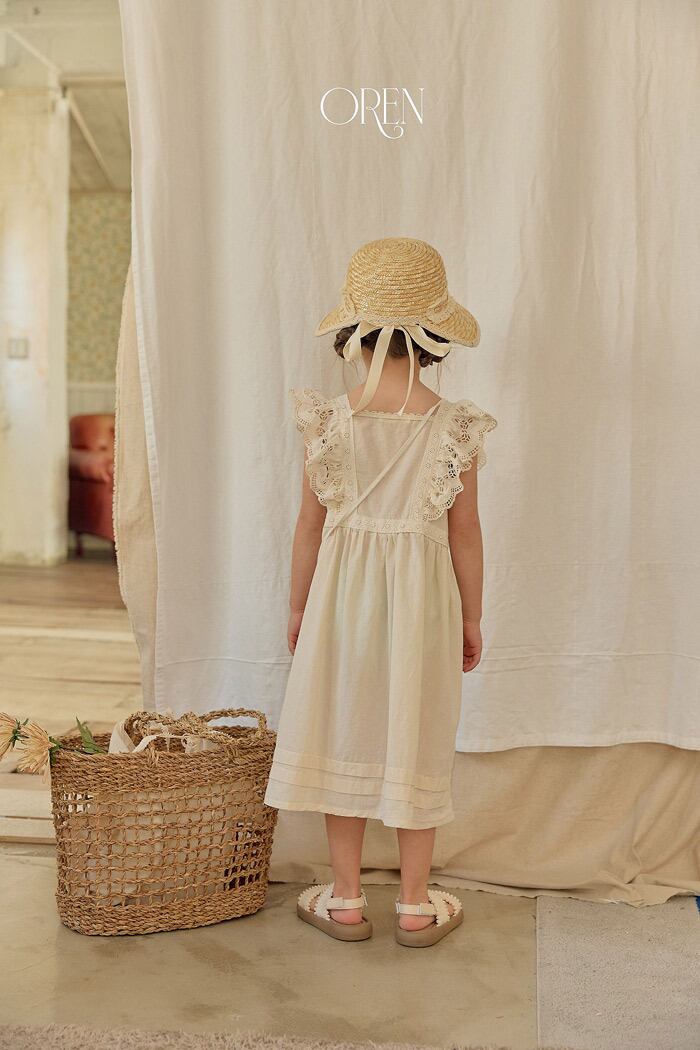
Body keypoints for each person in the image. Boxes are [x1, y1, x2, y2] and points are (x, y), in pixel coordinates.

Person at [263, 237, 497, 947]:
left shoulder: (328, 422)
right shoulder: (454, 426)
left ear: (353, 334)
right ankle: (417, 904)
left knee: (345, 728)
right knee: (415, 733)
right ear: (433, 338)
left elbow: (309, 527)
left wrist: (299, 607)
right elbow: (465, 534)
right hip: (424, 606)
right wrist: (472, 617)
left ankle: (344, 897)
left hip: (339, 602)